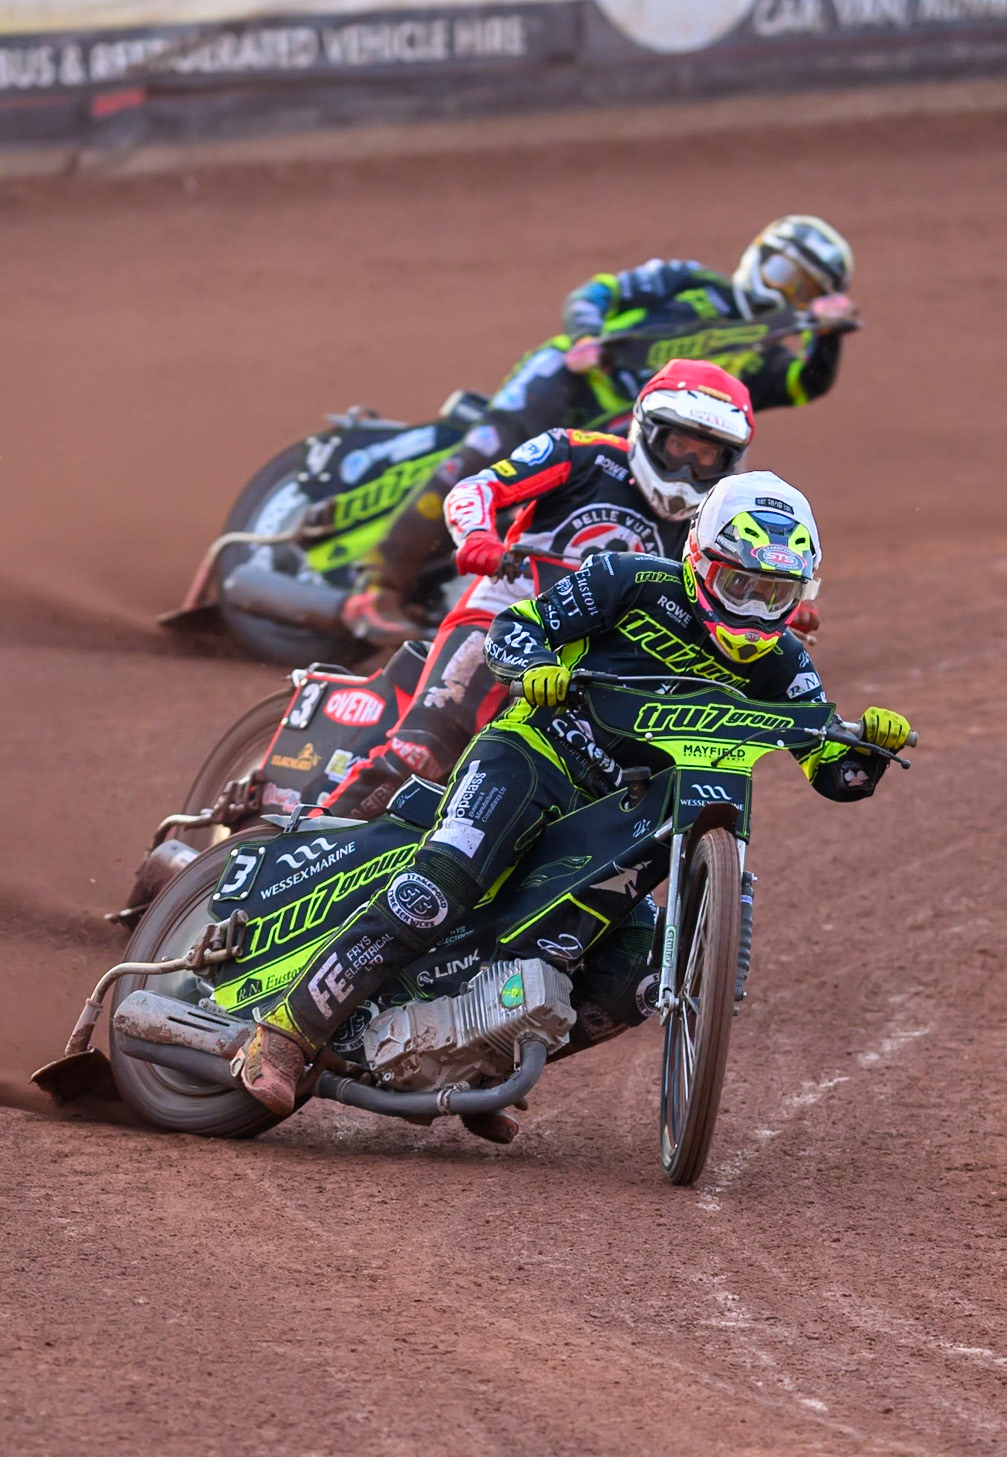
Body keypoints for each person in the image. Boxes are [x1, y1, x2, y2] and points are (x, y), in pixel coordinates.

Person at [235, 469, 911, 1127]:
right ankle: (284, 1035)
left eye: (775, 591)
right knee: (438, 890)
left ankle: (478, 1065)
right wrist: (535, 670)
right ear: (701, 562)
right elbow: (516, 628)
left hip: (627, 815)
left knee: (636, 983)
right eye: (740, 582)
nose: (755, 606)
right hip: (534, 757)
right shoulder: (628, 580)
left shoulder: (783, 662)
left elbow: (833, 773)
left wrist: (866, 750)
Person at [341, 215, 857, 644]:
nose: (786, 291)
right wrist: (586, 334)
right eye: (784, 272)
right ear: (757, 257)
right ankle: (376, 587)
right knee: (480, 459)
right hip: (564, 385)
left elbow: (803, 384)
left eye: (804, 288)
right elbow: (601, 290)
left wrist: (828, 336)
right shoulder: (693, 283)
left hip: (628, 435)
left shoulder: (764, 360)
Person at [321, 357, 755, 820]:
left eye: (707, 455)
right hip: (501, 622)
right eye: (678, 445)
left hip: (597, 663)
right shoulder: (580, 452)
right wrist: (478, 537)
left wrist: (764, 603)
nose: (689, 468)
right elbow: (478, 488)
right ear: (648, 430)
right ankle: (302, 843)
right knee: (422, 754)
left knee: (604, 799)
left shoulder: (716, 519)